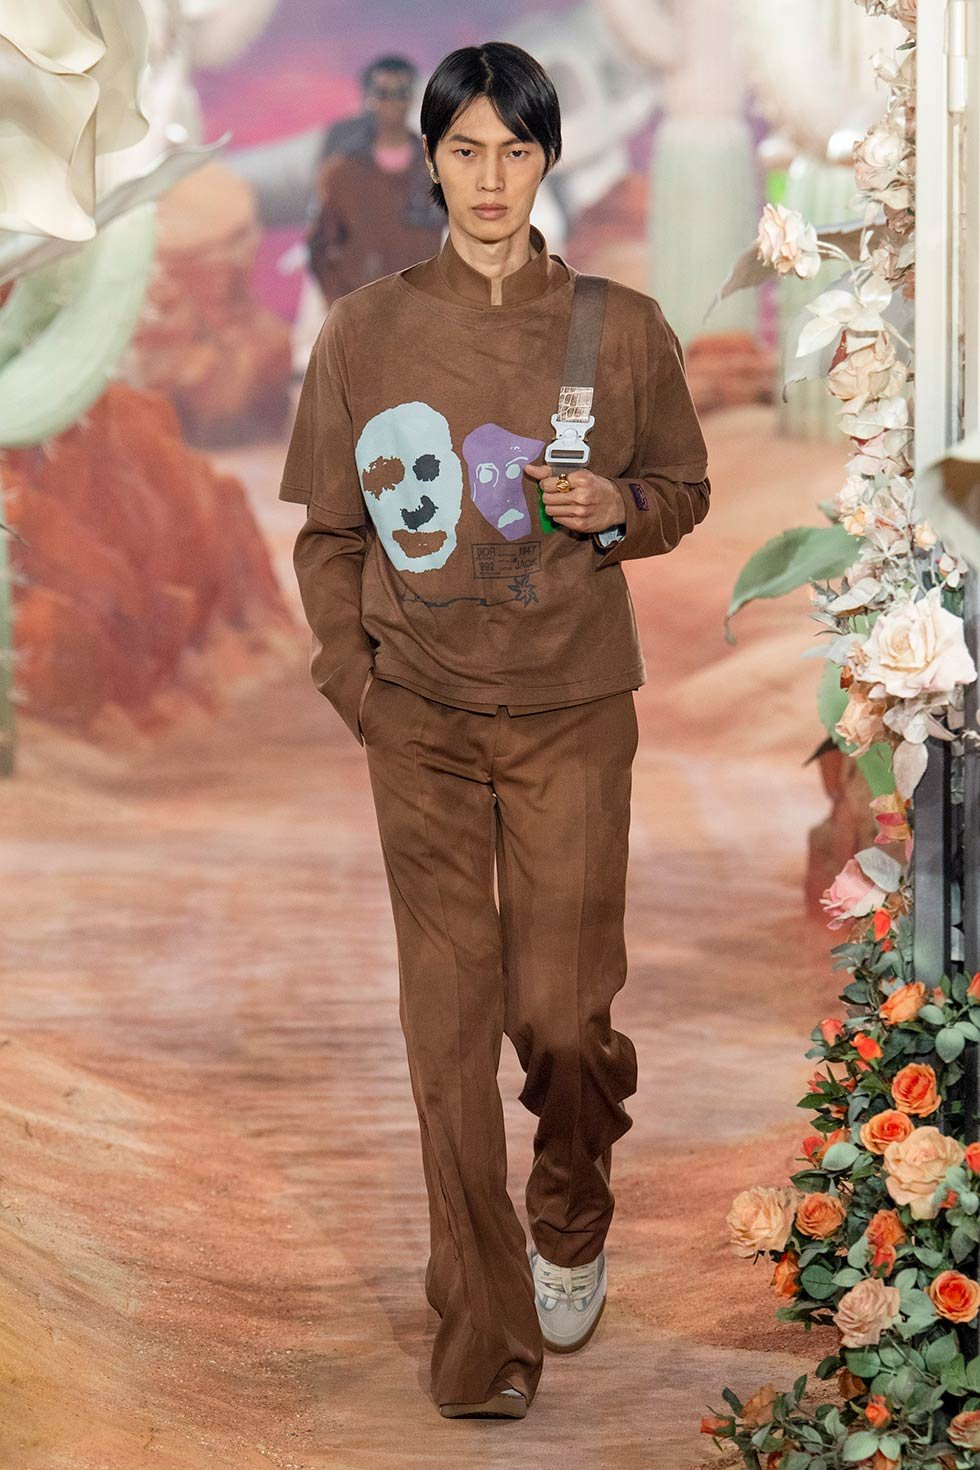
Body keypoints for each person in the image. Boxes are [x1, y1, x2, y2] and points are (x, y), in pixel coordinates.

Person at [279, 39, 710, 1422]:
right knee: (449, 1029)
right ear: (429, 160)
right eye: (463, 150)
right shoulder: (364, 333)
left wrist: (621, 508)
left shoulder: (619, 327)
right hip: (420, 718)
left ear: (546, 159)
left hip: (573, 708)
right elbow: (329, 534)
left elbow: (683, 484)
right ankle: (482, 1334)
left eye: (512, 151)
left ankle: (569, 1206)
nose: (488, 178)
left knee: (561, 1019)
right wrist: (358, 685)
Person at [307, 54, 444, 301]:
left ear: (412, 97)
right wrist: (342, 304)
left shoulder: (437, 169)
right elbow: (320, 247)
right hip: (364, 308)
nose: (392, 102)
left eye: (401, 93)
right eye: (382, 93)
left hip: (424, 306)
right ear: (368, 98)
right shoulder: (343, 173)